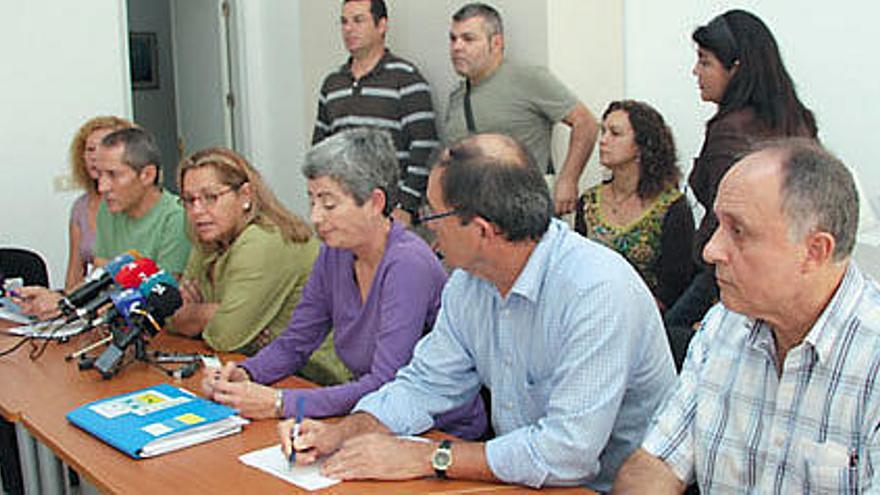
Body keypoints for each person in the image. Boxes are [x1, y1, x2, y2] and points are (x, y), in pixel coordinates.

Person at [279, 133, 676, 491]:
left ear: (483, 231)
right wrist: (343, 433)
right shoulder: (469, 283)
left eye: (432, 215)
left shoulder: (596, 291)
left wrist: (427, 457)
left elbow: (566, 453)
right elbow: (425, 384)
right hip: (519, 480)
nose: (427, 230)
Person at [612, 139, 880, 493]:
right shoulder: (724, 325)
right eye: (717, 226)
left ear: (814, 251)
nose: (711, 250)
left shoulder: (871, 356)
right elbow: (656, 464)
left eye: (738, 231)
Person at [201, 128, 486, 438]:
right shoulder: (334, 254)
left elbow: (386, 382)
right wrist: (245, 374)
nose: (316, 217)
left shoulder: (408, 263)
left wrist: (282, 403)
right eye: (311, 201)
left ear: (375, 202)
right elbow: (296, 341)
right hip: (368, 418)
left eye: (329, 204)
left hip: (437, 431)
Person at [664, 9, 818, 329]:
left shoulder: (730, 132)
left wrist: (716, 302)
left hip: (728, 278)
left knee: (668, 342)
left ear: (736, 68)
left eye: (705, 61)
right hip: (789, 271)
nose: (696, 72)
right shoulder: (799, 120)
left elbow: (732, 222)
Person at [15, 127, 191, 320]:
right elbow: (101, 279)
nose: (102, 187)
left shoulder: (176, 217)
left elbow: (160, 300)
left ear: (147, 175)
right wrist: (62, 300)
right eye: (99, 175)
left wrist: (69, 304)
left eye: (113, 175)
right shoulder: (108, 211)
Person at [443, 3, 599, 215]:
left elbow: (586, 123)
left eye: (468, 39)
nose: (457, 47)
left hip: (523, 212)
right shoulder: (457, 95)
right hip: (475, 216)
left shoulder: (527, 78)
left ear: (496, 43)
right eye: (453, 39)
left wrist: (568, 180)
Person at [169, 147, 319, 356]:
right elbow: (172, 315)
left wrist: (195, 314)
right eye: (188, 200)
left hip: (311, 374)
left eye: (210, 197)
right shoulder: (208, 234)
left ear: (245, 195)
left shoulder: (264, 240)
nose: (197, 211)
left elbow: (225, 336)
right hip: (253, 361)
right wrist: (217, 313)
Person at [312, 0, 440, 226]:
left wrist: (406, 206)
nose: (348, 29)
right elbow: (320, 149)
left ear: (381, 25)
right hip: (342, 213)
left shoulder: (407, 79)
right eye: (344, 22)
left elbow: (425, 146)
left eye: (358, 20)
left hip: (389, 215)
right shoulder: (332, 84)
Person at [575, 100, 693, 313]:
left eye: (615, 133)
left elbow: (676, 284)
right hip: (593, 309)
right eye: (603, 132)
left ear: (641, 145)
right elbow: (578, 268)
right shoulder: (588, 202)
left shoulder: (671, 206)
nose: (603, 141)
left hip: (650, 316)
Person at [64, 116, 133, 291]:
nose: (95, 156)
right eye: (90, 149)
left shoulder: (134, 203)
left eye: (104, 147)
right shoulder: (80, 207)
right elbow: (74, 272)